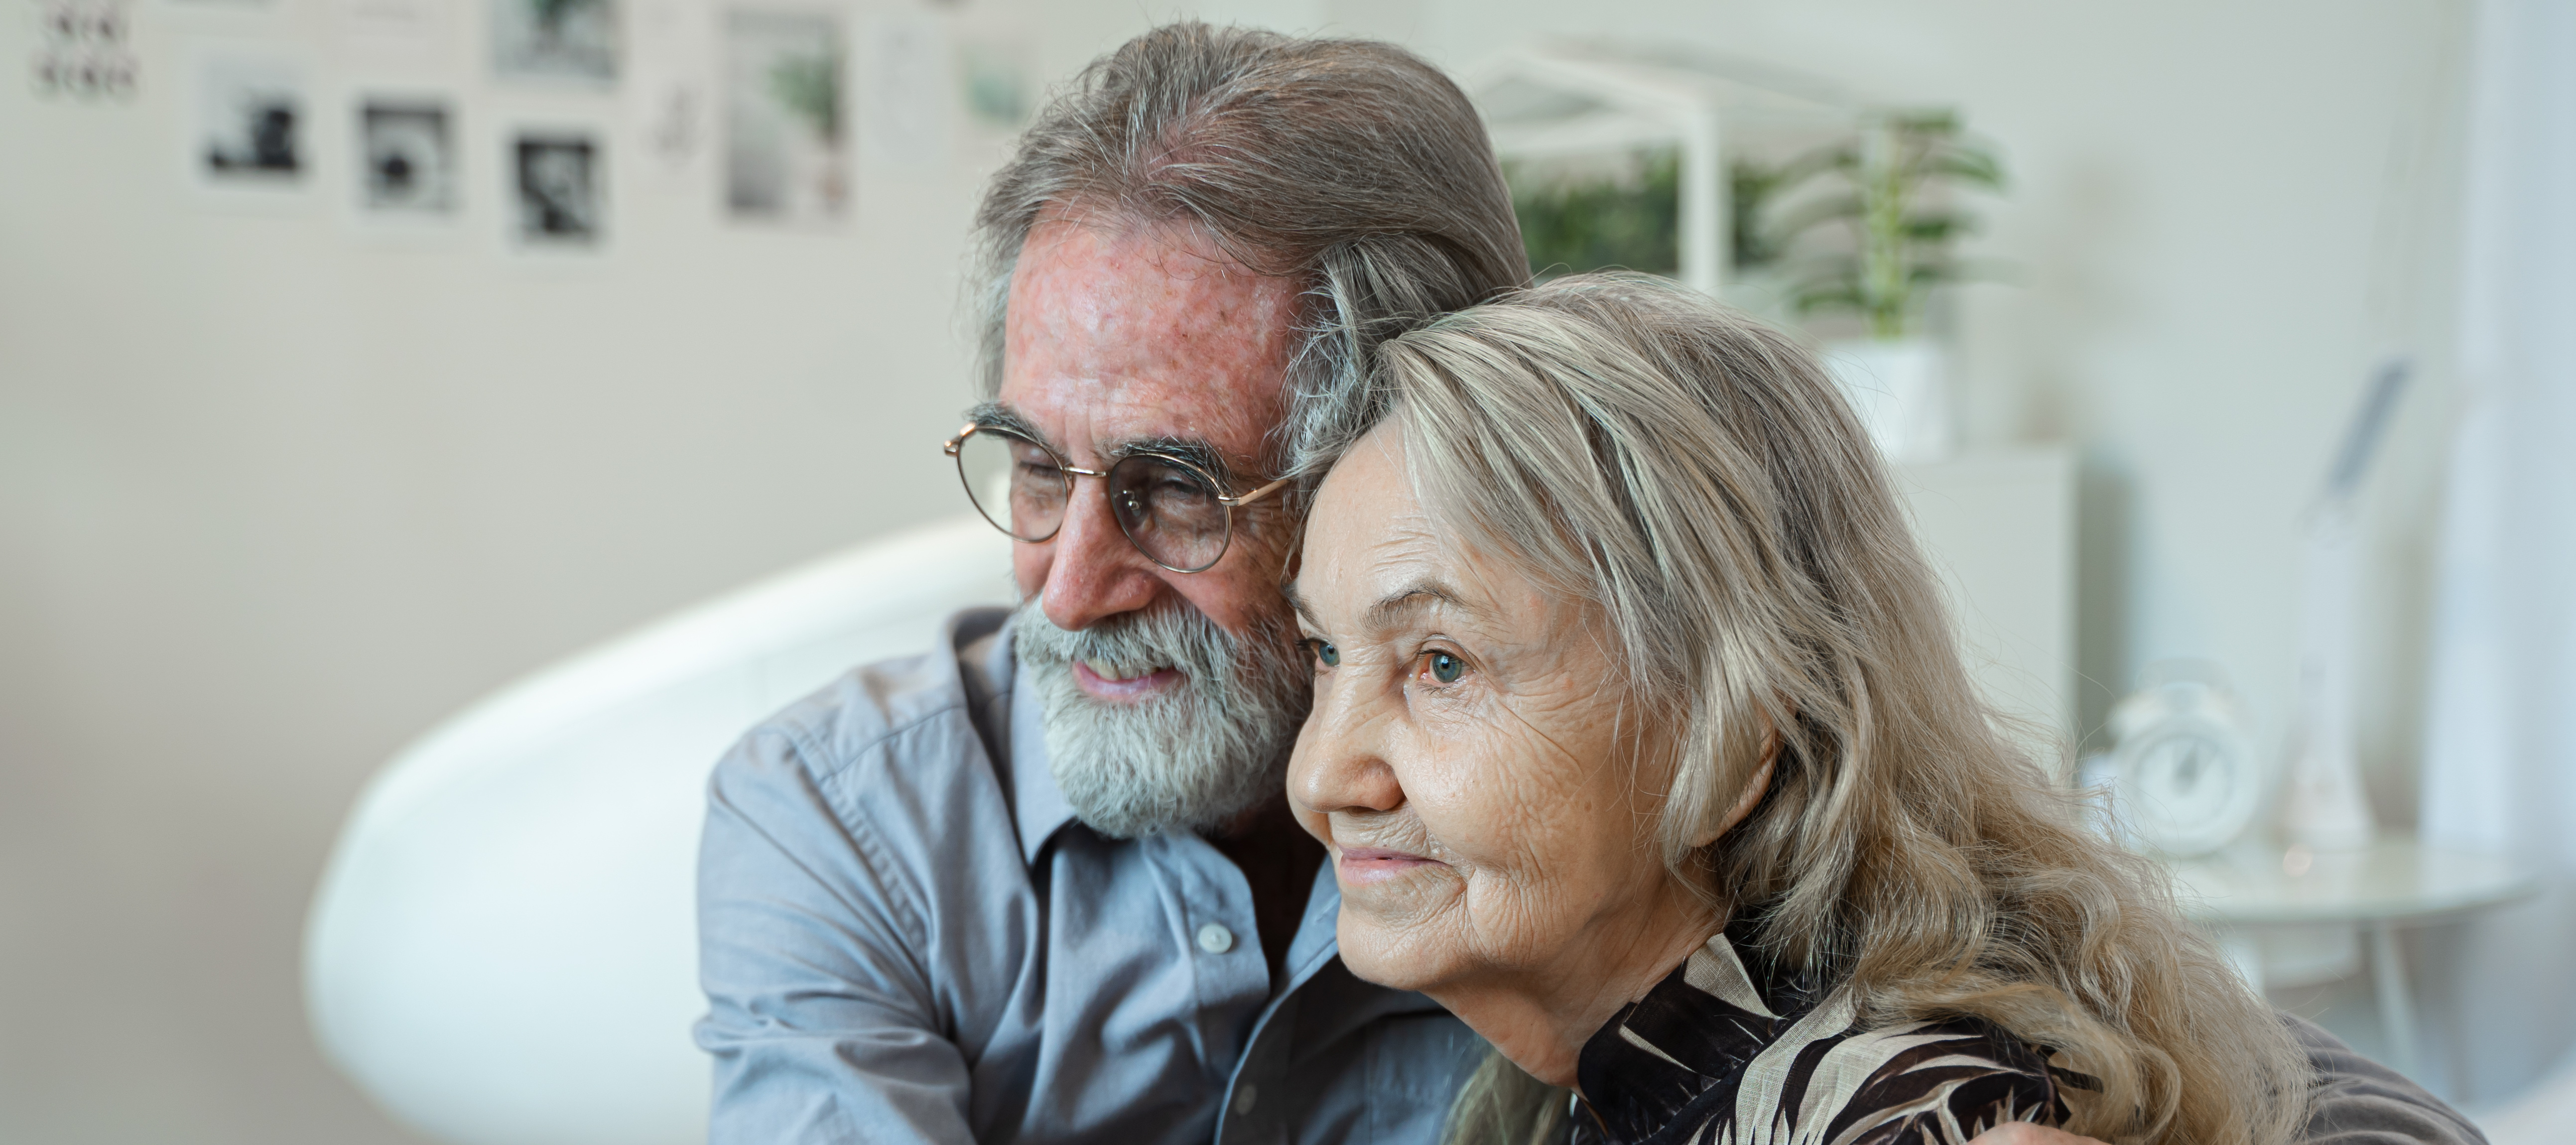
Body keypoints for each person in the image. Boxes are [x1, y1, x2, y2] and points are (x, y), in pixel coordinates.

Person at [694, 20, 2483, 1145]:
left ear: (1406, 456)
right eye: (1029, 464)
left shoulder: (1703, 891)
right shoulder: (843, 821)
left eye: (1172, 491)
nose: (1068, 582)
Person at [1283, 273, 2488, 1145]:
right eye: (1327, 652)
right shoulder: (1635, 1073)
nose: (1323, 776)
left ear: (1734, 738)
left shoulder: (1899, 1112)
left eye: (1443, 664)